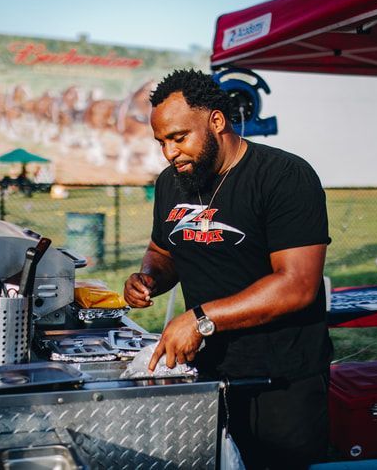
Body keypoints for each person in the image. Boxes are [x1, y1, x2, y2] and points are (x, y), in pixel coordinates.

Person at [124, 69, 332, 469]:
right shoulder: (172, 182)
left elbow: (297, 284)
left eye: (179, 137)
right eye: (162, 141)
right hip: (205, 372)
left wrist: (201, 319)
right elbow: (163, 250)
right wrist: (148, 276)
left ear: (216, 121)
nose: (169, 153)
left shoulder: (284, 176)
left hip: (281, 380)